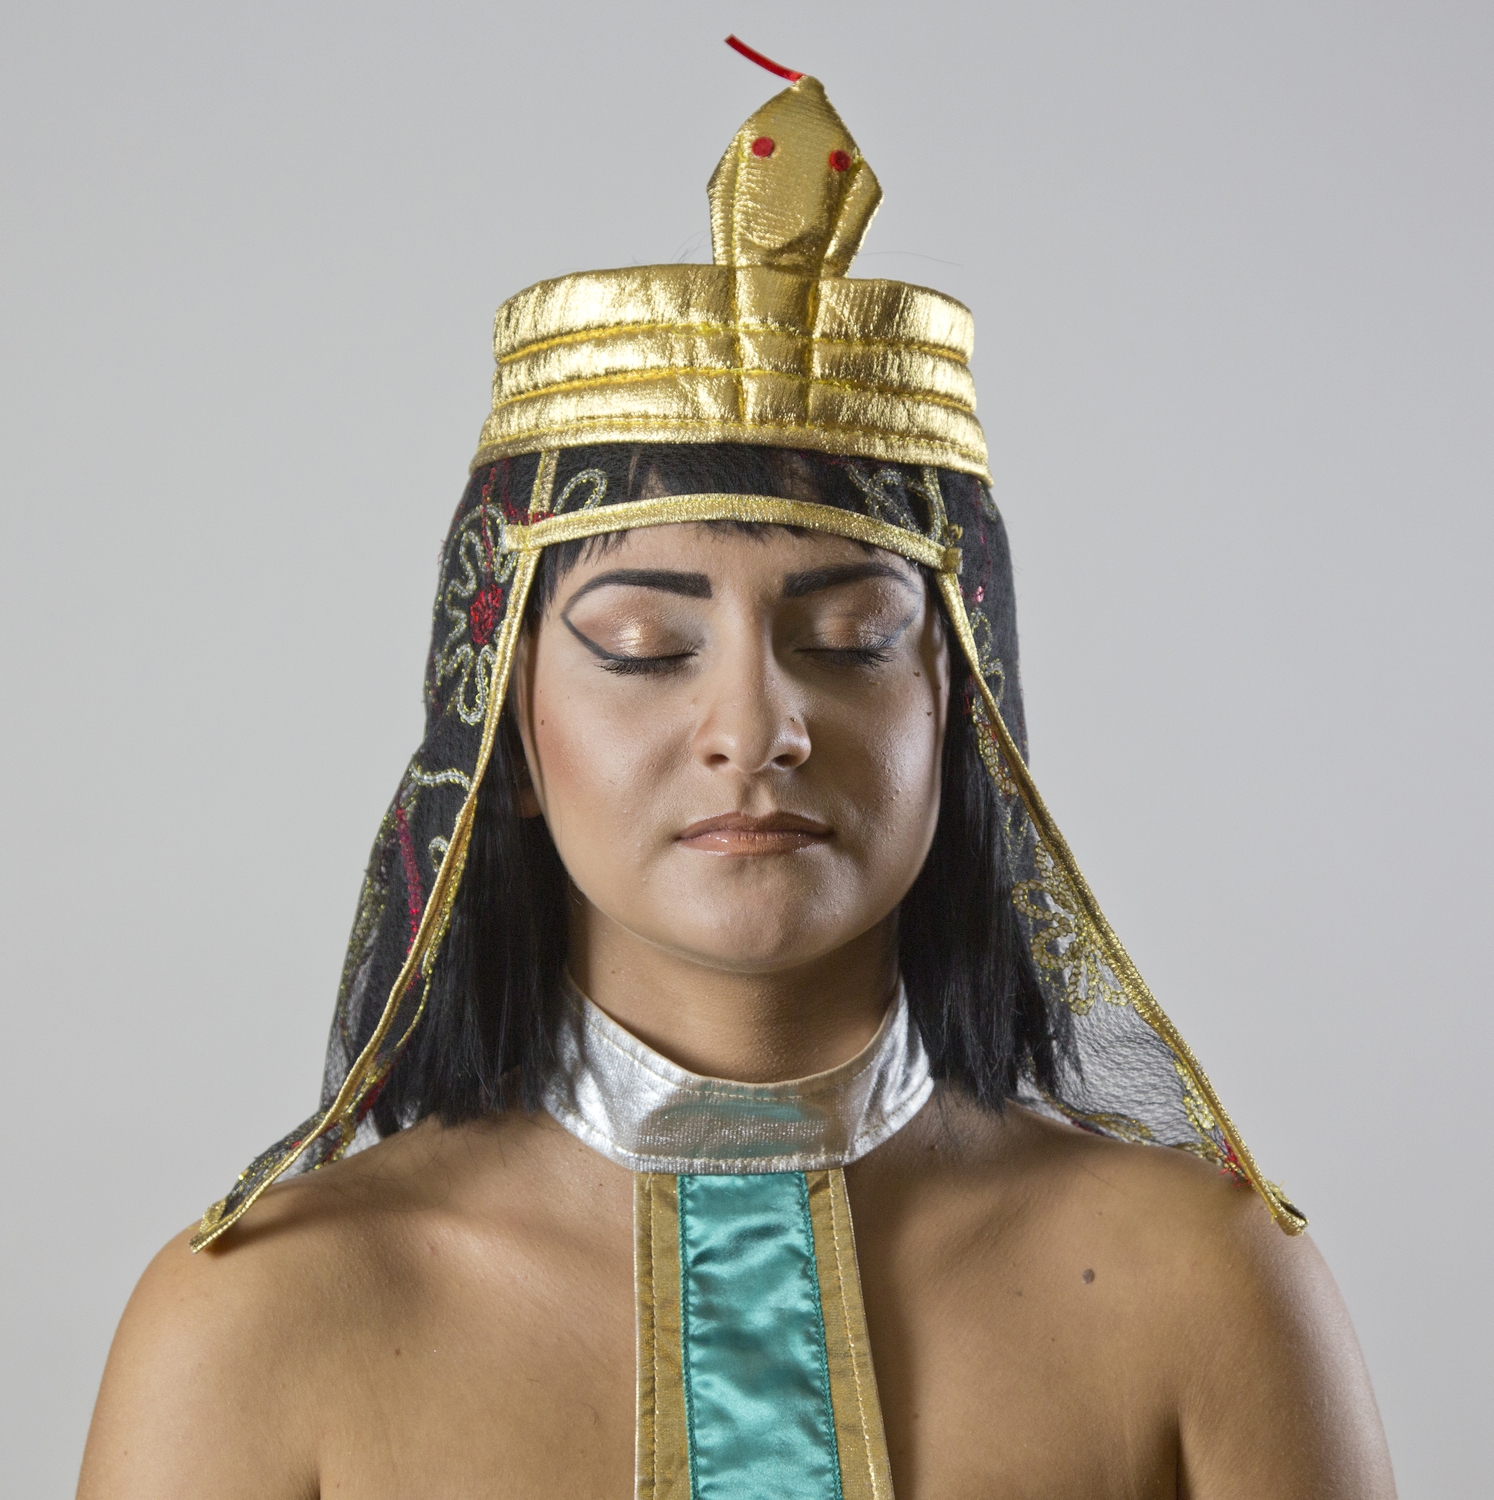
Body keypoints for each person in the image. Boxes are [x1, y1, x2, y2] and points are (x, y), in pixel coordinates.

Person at [78, 41, 1396, 1500]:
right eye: (645, 648)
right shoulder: (257, 1325)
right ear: (502, 731)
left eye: (848, 640)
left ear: (958, 706)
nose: (755, 727)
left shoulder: (1209, 1287)